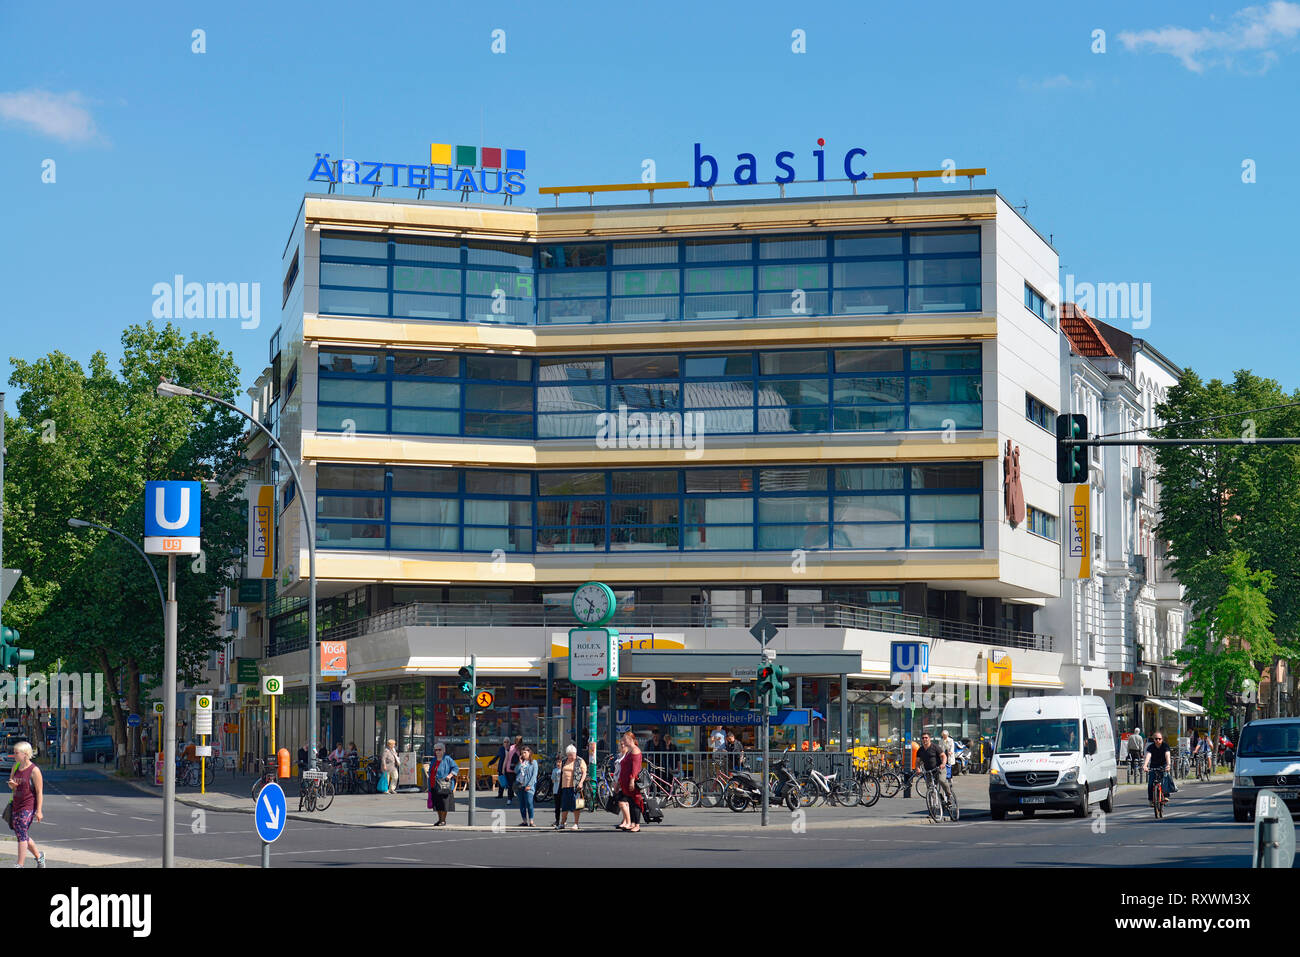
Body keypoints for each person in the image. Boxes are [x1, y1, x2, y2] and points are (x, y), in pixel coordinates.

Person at [8, 740, 45, 867]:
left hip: (28, 805)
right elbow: (11, 784)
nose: (14, 755)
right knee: (21, 833)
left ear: (25, 754)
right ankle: (39, 857)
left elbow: (39, 792)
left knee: (21, 833)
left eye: (16, 753)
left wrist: (39, 811)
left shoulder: (34, 770)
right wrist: (11, 785)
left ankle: (20, 864)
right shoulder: (16, 766)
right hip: (16, 804)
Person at [913, 731, 953, 808]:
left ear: (929, 739)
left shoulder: (935, 747)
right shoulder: (920, 750)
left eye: (926, 738)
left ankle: (949, 795)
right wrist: (917, 768)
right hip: (928, 771)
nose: (924, 739)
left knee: (941, 780)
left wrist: (943, 764)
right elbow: (917, 761)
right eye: (923, 738)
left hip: (939, 768)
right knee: (930, 788)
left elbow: (944, 756)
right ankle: (933, 808)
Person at [616, 730, 644, 833]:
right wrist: (620, 782)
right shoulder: (629, 751)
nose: (623, 741)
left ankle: (637, 824)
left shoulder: (635, 750)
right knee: (631, 803)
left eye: (624, 739)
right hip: (626, 782)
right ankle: (632, 823)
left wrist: (632, 780)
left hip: (632, 782)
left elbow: (635, 768)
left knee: (636, 803)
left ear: (630, 739)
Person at [557, 744, 587, 831]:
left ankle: (576, 823)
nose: (571, 757)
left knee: (576, 805)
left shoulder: (580, 760)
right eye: (569, 755)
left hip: (576, 786)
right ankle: (562, 823)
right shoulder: (564, 761)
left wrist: (581, 783)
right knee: (565, 805)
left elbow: (584, 772)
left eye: (573, 755)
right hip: (565, 786)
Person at [426, 745, 458, 825]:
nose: (437, 752)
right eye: (436, 750)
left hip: (444, 785)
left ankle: (443, 820)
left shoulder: (447, 758)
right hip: (434, 784)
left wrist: (449, 776)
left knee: (444, 804)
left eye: (439, 750)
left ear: (443, 750)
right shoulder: (433, 760)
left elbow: (455, 768)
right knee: (437, 804)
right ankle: (440, 819)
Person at [1143, 730, 1174, 805]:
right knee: (1150, 783)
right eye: (1156, 739)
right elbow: (1148, 756)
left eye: (1159, 739)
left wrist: (1168, 765)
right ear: (1153, 739)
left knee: (1165, 779)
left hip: (1163, 765)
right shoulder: (1151, 747)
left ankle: (1166, 795)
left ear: (1162, 739)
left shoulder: (1165, 746)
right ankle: (1151, 800)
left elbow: (1167, 755)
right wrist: (1145, 765)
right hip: (1153, 766)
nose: (1158, 740)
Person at [514, 745, 538, 827]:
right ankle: (524, 821)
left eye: (525, 752)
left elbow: (534, 775)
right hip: (520, 785)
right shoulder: (521, 762)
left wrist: (530, 785)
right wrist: (520, 763)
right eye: (522, 753)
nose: (523, 754)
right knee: (522, 804)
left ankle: (531, 821)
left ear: (529, 752)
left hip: (529, 786)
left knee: (529, 803)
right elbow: (516, 771)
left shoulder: (534, 762)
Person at [503, 736, 521, 806]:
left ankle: (509, 799)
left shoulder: (510, 748)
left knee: (510, 785)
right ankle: (520, 798)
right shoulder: (522, 748)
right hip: (519, 769)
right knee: (519, 784)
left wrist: (503, 769)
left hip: (509, 769)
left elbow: (506, 759)